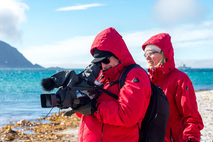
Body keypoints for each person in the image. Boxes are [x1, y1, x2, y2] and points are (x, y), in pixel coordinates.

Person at [74, 27, 151, 142]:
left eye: (105, 60)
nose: (103, 65)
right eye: (99, 62)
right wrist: (77, 103)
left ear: (118, 54)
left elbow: (128, 114)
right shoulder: (102, 74)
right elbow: (86, 115)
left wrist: (94, 107)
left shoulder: (135, 74)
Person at [142, 33, 204, 142]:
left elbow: (192, 117)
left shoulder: (180, 79)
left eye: (151, 53)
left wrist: (190, 138)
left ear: (163, 53)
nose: (147, 58)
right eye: (145, 54)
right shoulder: (146, 80)